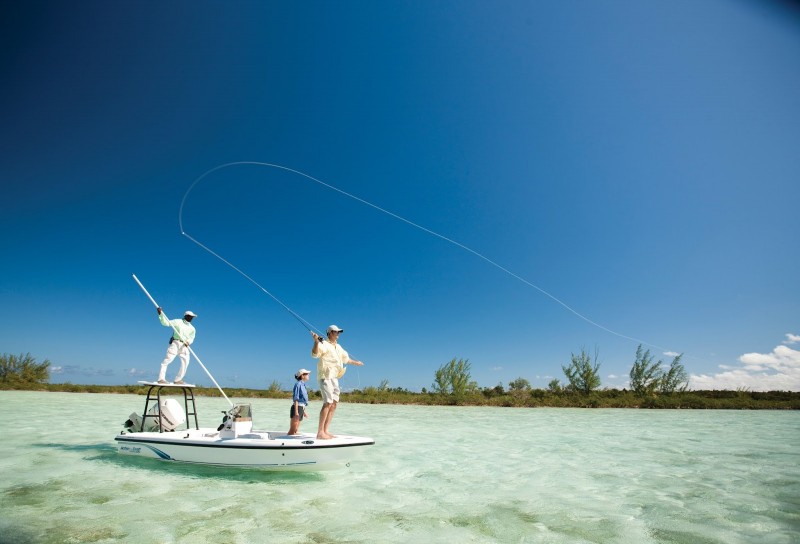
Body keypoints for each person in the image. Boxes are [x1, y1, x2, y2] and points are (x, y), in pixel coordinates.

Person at [311, 324, 364, 439]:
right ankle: (320, 432)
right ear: (330, 333)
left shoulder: (339, 347)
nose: (338, 334)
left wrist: (356, 363)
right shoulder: (323, 344)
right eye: (336, 332)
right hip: (325, 376)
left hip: (335, 377)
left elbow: (346, 359)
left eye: (338, 332)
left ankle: (326, 430)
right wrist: (316, 342)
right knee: (327, 403)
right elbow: (315, 354)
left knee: (334, 403)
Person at [156, 308, 197, 384]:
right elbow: (166, 323)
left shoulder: (192, 328)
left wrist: (188, 342)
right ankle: (161, 379)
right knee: (167, 360)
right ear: (185, 316)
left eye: (192, 317)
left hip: (184, 345)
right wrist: (160, 314)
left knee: (186, 362)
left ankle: (178, 380)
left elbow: (192, 338)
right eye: (189, 316)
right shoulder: (177, 321)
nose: (191, 318)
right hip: (175, 343)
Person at [288, 368, 311, 435]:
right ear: (302, 376)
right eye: (307, 374)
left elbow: (302, 401)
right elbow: (296, 399)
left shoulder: (303, 385)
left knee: (296, 430)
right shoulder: (298, 384)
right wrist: (296, 412)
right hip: (297, 408)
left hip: (301, 408)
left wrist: (303, 412)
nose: (309, 375)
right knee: (292, 430)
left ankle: (292, 439)